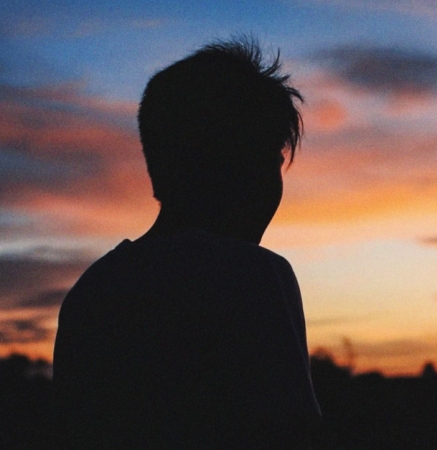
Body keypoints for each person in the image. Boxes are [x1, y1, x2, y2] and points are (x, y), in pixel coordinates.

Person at [53, 37, 321, 449]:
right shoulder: (253, 276)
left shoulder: (93, 291)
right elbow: (291, 432)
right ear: (249, 166)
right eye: (271, 159)